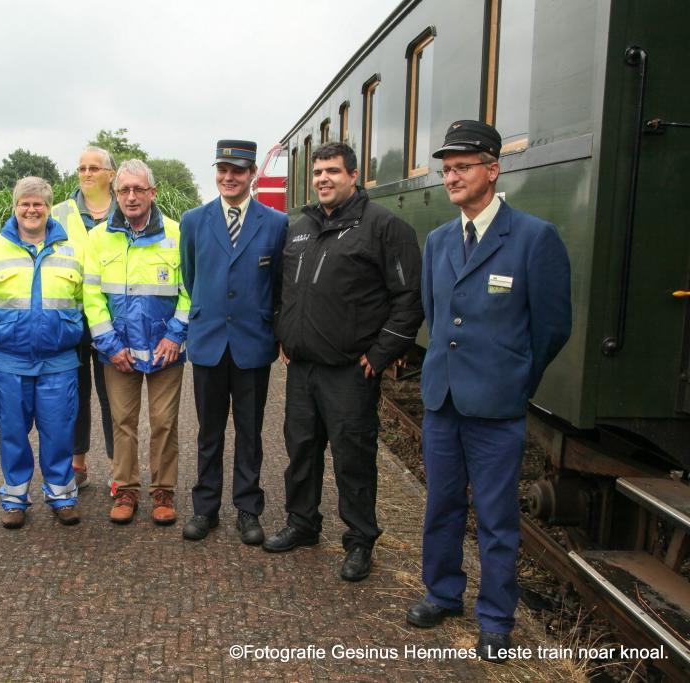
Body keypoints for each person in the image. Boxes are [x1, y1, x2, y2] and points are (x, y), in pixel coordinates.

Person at [406, 120, 571, 663]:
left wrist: (516, 380)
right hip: (443, 401)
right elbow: (435, 314)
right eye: (446, 169)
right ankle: (442, 594)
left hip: (497, 405)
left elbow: (552, 328)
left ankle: (496, 619)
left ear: (493, 169)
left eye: (462, 167)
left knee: (497, 518)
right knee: (442, 505)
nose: (451, 178)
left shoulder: (533, 238)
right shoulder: (438, 241)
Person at [264, 141, 423, 583]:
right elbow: (280, 290)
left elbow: (409, 299)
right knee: (300, 449)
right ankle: (302, 523)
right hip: (302, 368)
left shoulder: (384, 228)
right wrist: (283, 332)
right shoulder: (300, 229)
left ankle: (359, 540)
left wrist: (381, 353)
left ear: (354, 176)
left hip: (350, 371)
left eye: (333, 171)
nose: (323, 179)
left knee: (353, 459)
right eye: (317, 172)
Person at [179, 140, 288, 544]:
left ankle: (248, 509)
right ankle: (205, 508)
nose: (229, 177)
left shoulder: (275, 223)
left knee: (250, 431)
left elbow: (277, 284)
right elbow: (191, 275)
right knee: (208, 432)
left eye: (238, 171)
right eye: (223, 170)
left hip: (252, 342)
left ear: (252, 174)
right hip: (209, 341)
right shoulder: (194, 220)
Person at [0, 176, 85, 528]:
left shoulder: (71, 250)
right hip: (9, 363)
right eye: (25, 203)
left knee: (59, 433)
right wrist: (1, 334)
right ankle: (15, 499)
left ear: (49, 208)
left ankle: (62, 496)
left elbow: (85, 302)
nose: (31, 210)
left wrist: (66, 331)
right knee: (13, 434)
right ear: (15, 207)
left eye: (38, 204)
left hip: (58, 362)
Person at [83, 159, 190, 525]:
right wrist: (109, 345)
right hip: (119, 352)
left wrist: (175, 335)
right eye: (124, 190)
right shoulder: (99, 238)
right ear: (116, 193)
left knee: (164, 422)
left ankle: (163, 492)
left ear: (152, 193)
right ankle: (125, 490)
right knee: (122, 422)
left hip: (165, 351)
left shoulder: (177, 234)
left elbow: (190, 291)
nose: (131, 196)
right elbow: (91, 295)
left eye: (138, 189)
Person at [51, 147, 117, 489]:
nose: (86, 173)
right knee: (74, 394)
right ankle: (78, 464)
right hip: (72, 316)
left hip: (113, 317)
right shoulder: (59, 213)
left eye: (94, 168)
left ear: (111, 174)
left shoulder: (126, 208)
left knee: (114, 397)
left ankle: (118, 468)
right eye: (81, 168)